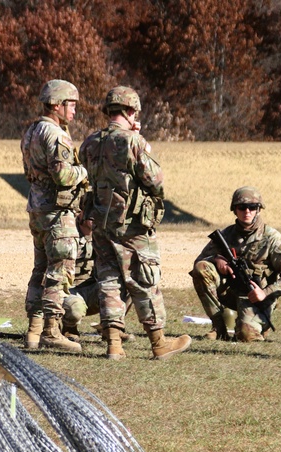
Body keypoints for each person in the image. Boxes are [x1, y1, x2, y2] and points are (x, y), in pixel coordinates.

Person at [80, 86, 191, 361]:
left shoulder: (89, 142)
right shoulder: (133, 142)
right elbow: (156, 182)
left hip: (102, 223)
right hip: (132, 226)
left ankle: (114, 345)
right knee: (144, 280)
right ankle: (159, 342)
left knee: (108, 280)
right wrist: (142, 142)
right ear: (130, 112)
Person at [21, 79, 89, 353]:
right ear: (57, 105)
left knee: (40, 270)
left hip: (37, 209)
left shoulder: (31, 131)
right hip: (57, 212)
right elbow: (62, 175)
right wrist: (85, 172)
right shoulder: (57, 135)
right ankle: (51, 330)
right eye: (71, 105)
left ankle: (33, 332)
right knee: (59, 273)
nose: (73, 111)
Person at [190, 187, 281, 342]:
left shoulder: (272, 238)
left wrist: (265, 292)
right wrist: (217, 259)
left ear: (259, 209)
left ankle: (257, 324)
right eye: (241, 207)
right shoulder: (226, 235)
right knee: (201, 268)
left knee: (246, 336)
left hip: (257, 297)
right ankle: (219, 328)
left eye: (252, 207)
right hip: (230, 291)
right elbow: (199, 262)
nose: (247, 211)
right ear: (234, 210)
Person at [60, 229, 135, 342]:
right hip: (69, 291)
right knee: (74, 307)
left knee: (127, 286)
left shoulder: (101, 233)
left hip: (92, 289)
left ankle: (111, 327)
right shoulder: (66, 232)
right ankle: (69, 329)